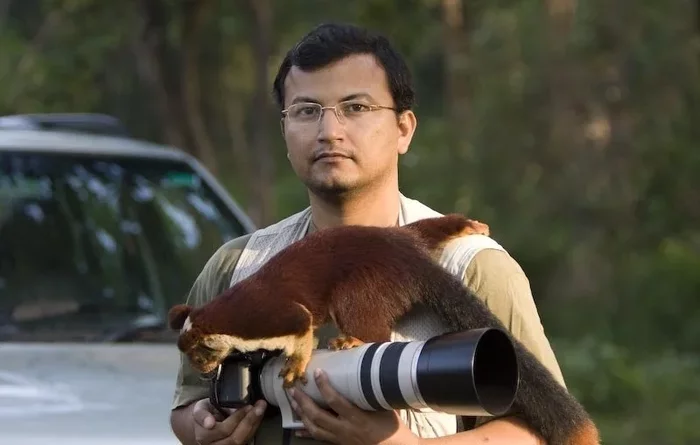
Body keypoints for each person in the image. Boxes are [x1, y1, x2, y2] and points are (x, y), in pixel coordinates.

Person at [169, 22, 566, 445]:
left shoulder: (471, 266)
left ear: (404, 129)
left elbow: (544, 430)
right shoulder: (237, 266)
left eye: (355, 108)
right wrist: (204, 427)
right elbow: (187, 407)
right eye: (306, 110)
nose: (329, 131)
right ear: (284, 131)